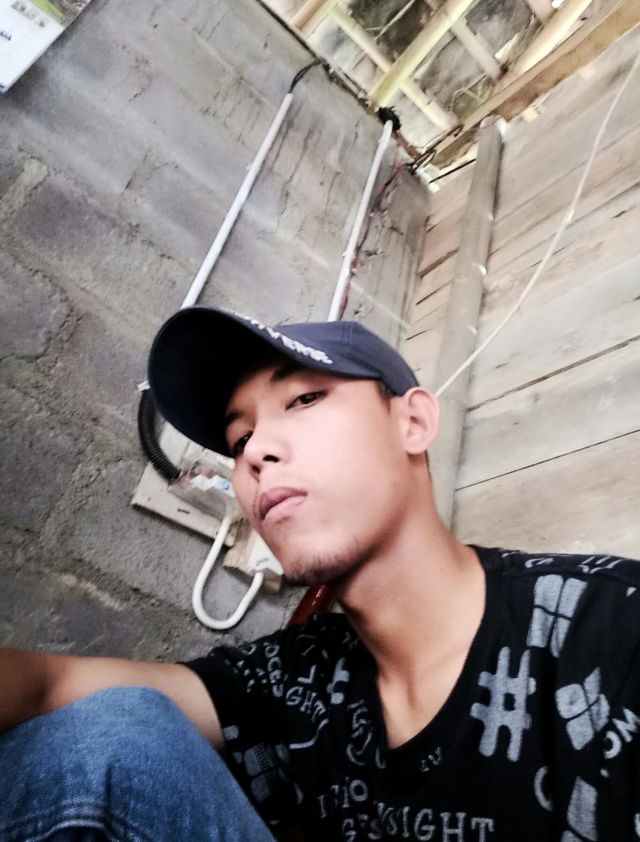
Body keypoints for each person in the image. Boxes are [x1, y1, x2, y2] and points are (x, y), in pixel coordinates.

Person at [1, 305, 639, 842]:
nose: (256, 452)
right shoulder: (299, 678)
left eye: (305, 398)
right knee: (112, 739)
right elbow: (53, 689)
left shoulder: (612, 627)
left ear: (413, 422)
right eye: (239, 439)